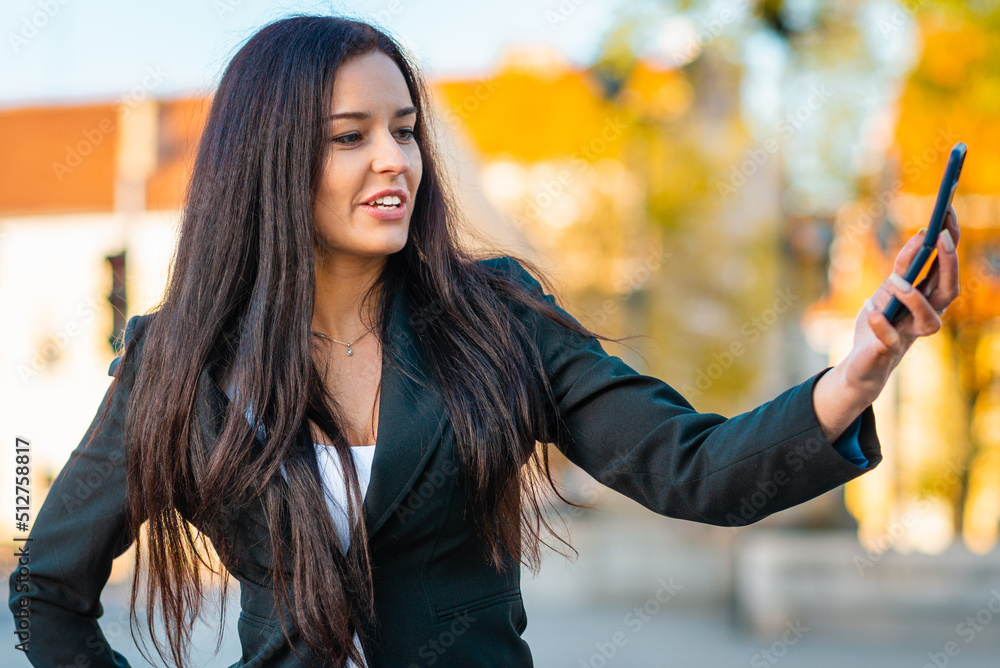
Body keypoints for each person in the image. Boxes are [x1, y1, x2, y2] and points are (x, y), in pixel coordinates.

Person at [7, 13, 961, 668]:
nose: (395, 160)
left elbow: (694, 467)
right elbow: (48, 587)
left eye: (405, 129)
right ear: (270, 161)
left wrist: (864, 363)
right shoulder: (178, 360)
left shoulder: (495, 317)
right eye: (350, 136)